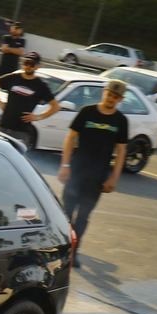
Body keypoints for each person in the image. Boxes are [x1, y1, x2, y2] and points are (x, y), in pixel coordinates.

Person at [58, 79, 129, 269]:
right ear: (103, 92)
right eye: (109, 94)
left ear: (120, 99)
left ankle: (73, 252)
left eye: (116, 97)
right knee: (66, 213)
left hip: (98, 176)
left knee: (83, 217)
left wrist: (114, 177)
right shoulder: (87, 112)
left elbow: (121, 150)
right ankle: (60, 250)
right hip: (77, 171)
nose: (111, 99)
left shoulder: (121, 121)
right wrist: (65, 165)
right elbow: (70, 138)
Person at [0, 51, 60, 144]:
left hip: (22, 131)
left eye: (32, 64)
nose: (28, 66)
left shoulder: (41, 86)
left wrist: (37, 117)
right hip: (4, 126)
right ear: (22, 63)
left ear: (38, 66)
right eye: (26, 63)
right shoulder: (13, 78)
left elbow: (55, 107)